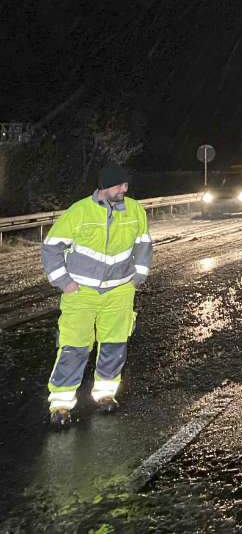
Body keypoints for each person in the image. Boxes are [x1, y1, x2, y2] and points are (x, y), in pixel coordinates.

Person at [40, 163, 153, 426]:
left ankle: (104, 395)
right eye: (119, 185)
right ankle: (61, 405)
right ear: (104, 187)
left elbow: (144, 244)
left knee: (114, 345)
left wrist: (138, 278)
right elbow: (51, 247)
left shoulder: (135, 210)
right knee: (73, 347)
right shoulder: (79, 211)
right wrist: (64, 282)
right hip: (80, 292)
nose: (124, 189)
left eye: (126, 184)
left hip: (120, 292)